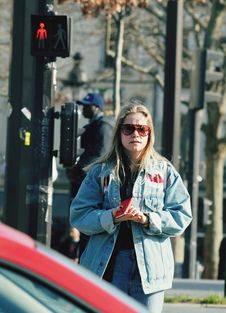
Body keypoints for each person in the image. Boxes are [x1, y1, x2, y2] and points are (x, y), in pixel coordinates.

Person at [70, 99, 192, 313]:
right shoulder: (100, 172)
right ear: (119, 133)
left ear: (149, 134)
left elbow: (182, 215)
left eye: (141, 129)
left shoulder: (165, 172)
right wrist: (111, 217)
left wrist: (147, 219)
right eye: (128, 128)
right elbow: (79, 215)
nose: (135, 134)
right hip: (109, 264)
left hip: (151, 270)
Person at [67, 92, 114, 254]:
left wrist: (79, 167)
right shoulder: (95, 126)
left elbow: (100, 154)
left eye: (87, 106)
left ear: (96, 107)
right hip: (86, 179)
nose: (84, 109)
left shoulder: (103, 127)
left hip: (94, 182)